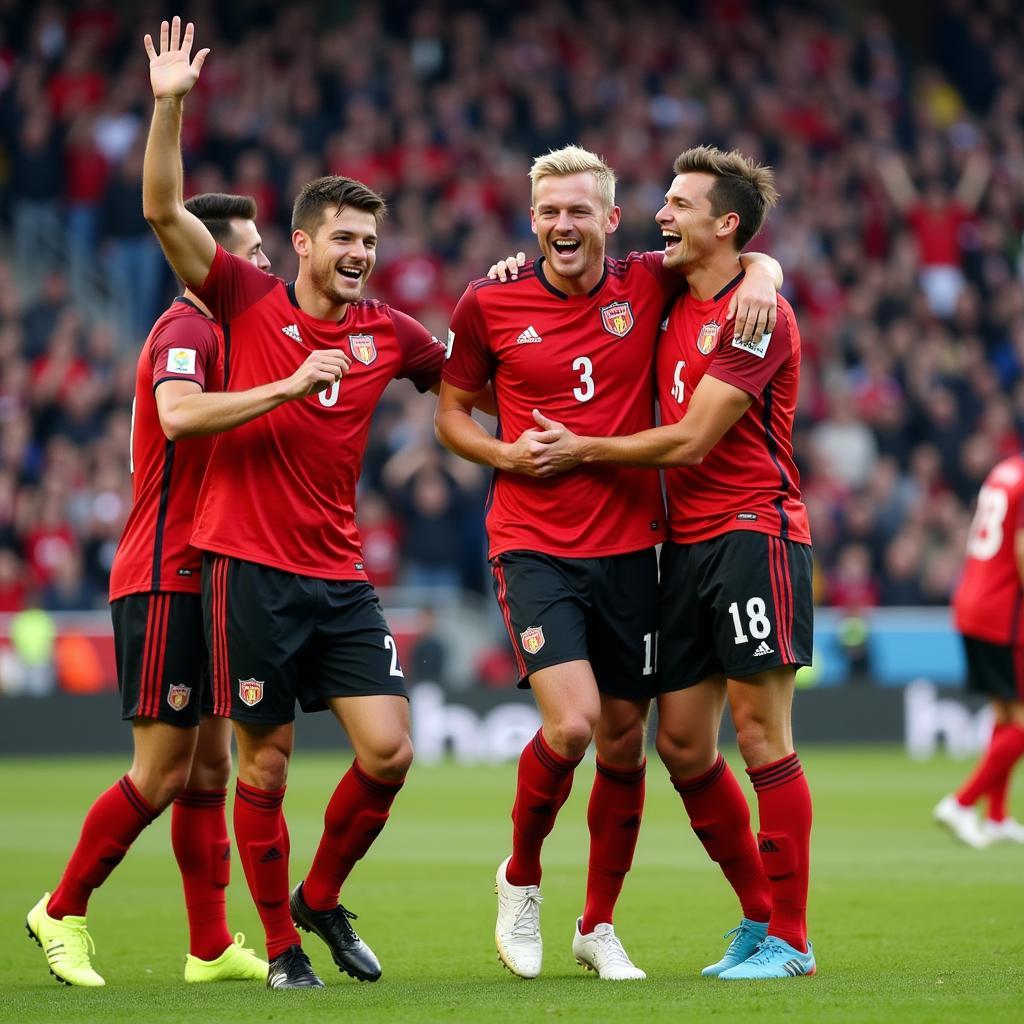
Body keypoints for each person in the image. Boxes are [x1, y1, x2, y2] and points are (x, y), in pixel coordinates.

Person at [141, 18, 450, 990]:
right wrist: (171, 104)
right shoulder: (241, 297)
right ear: (304, 241)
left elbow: (471, 374)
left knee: (390, 751)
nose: (359, 252)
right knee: (264, 764)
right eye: (344, 237)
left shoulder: (388, 332)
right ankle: (279, 948)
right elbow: (161, 210)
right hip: (248, 570)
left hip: (338, 574)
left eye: (370, 239)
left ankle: (319, 896)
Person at [436, 144, 780, 981]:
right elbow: (450, 413)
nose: (563, 225)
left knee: (626, 747)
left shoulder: (647, 282)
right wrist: (506, 458)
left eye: (579, 211)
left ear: (610, 220)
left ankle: (598, 924)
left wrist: (767, 272)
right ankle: (520, 877)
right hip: (533, 544)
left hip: (633, 551)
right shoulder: (488, 300)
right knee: (575, 725)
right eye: (549, 212)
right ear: (531, 219)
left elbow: (730, 255)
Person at [24, 189, 353, 987]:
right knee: (162, 772)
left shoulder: (233, 333)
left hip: (214, 572)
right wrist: (287, 388)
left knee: (210, 771)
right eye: (251, 255)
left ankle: (208, 947)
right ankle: (62, 910)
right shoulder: (187, 327)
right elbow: (176, 417)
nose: (264, 268)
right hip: (165, 573)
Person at [516, 145, 816, 980]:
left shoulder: (760, 317)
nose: (661, 215)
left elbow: (689, 440)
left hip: (754, 534)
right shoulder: (673, 288)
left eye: (679, 204)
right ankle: (759, 918)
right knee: (683, 746)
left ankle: (791, 939)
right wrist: (763, 263)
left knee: (761, 734)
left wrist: (582, 449)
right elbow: (571, 256)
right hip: (681, 548)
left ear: (723, 223)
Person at [935, 455, 1024, 848]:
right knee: (1020, 723)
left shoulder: (1006, 469)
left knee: (1005, 712)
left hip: (974, 599)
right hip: (1004, 613)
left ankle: (998, 816)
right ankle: (961, 803)